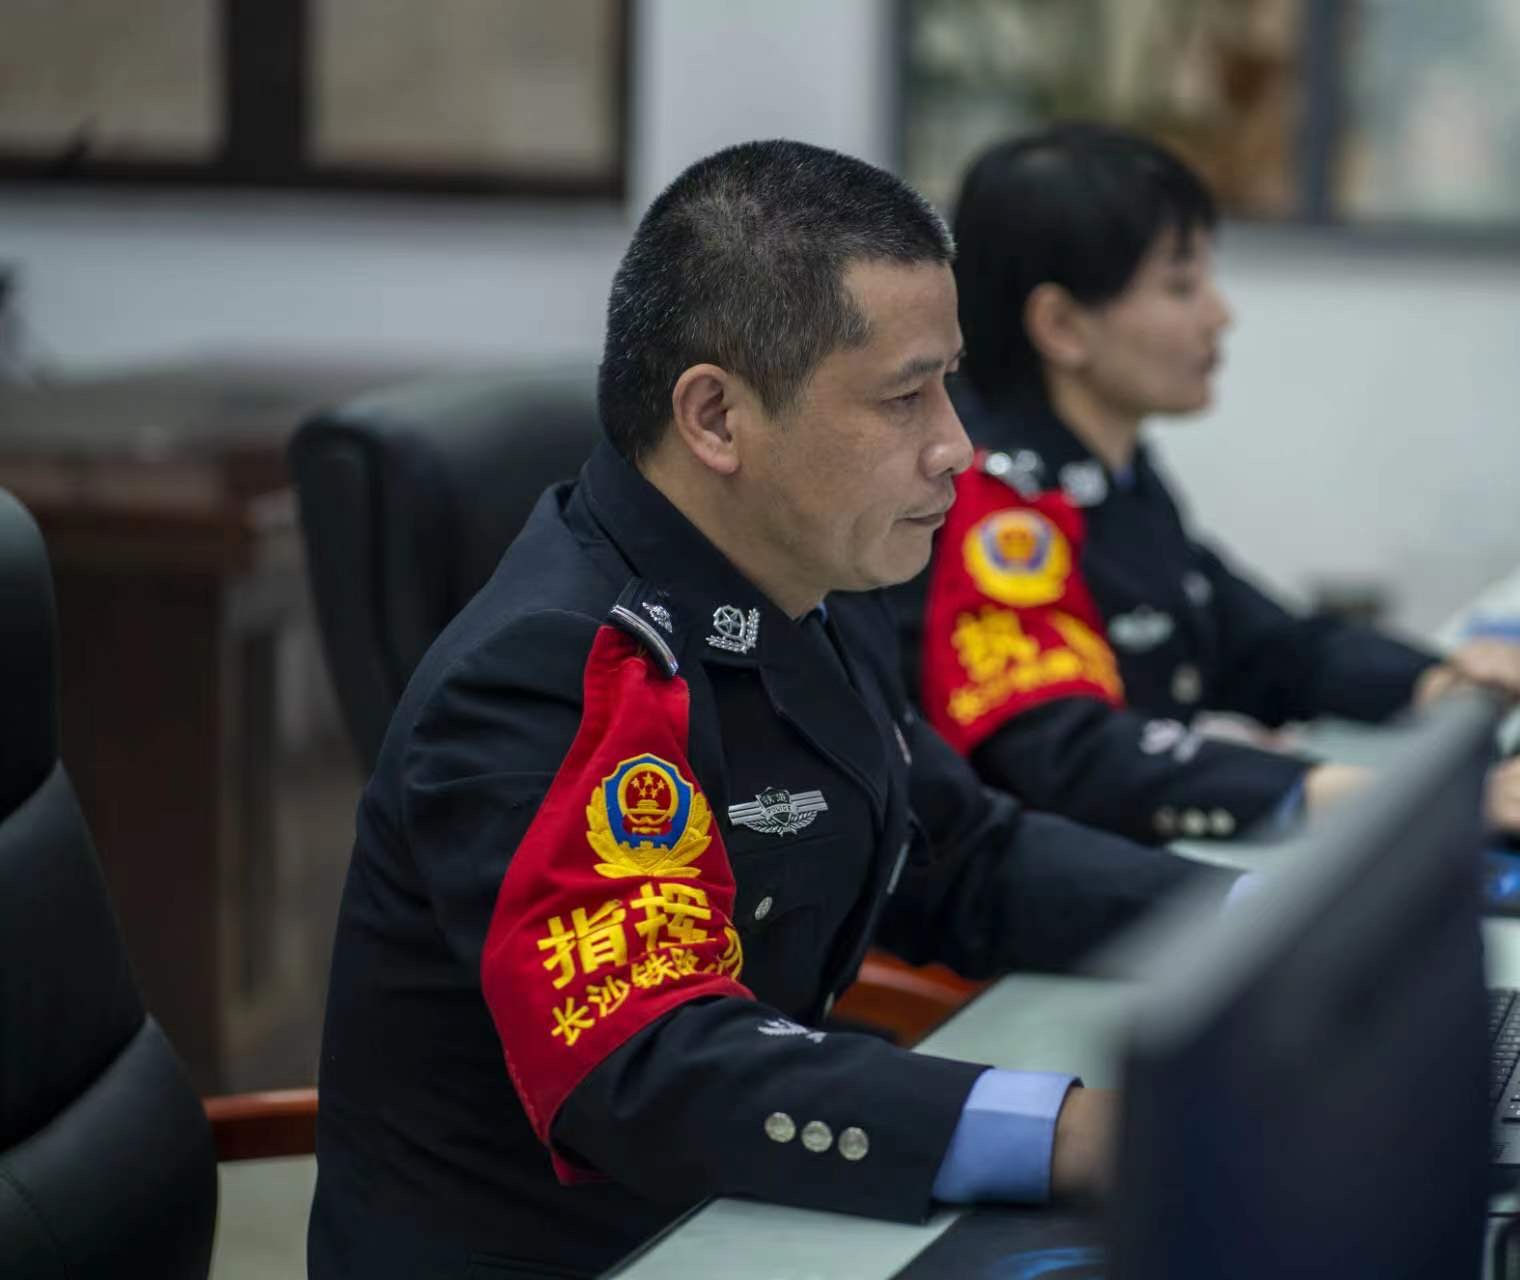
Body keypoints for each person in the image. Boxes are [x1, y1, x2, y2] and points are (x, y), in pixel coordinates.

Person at [306, 140, 1229, 1277]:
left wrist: (1257, 922)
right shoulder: (554, 668)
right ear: (716, 417)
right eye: (904, 395)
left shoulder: (804, 584)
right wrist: (1071, 1128)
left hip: (744, 1220)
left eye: (949, 380)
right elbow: (660, 1057)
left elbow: (966, 856)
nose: (957, 443)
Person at [891, 124, 1520, 850]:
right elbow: (1067, 754)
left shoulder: (1112, 474)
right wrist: (1348, 797)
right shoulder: (994, 500)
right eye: (1180, 285)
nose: (1220, 314)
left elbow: (1255, 642)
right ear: (1061, 325)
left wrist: (1432, 682)